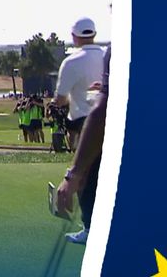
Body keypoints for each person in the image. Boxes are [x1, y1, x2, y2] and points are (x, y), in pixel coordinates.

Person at [56, 45, 111, 245]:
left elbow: (101, 114)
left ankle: (91, 228)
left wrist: (73, 174)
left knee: (88, 176)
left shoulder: (118, 49)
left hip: (92, 127)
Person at [53, 18, 104, 152]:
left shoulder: (70, 62)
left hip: (83, 125)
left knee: (85, 169)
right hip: (107, 120)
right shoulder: (107, 56)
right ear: (94, 34)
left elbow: (60, 100)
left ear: (75, 36)